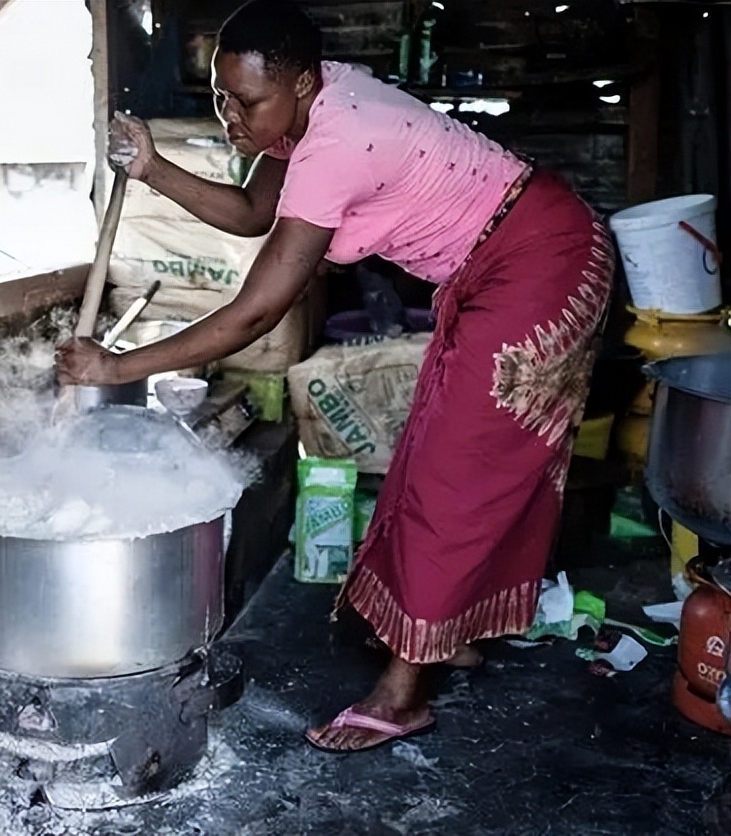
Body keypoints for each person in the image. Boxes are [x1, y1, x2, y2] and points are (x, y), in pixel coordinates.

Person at [56, 0, 613, 753]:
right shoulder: (305, 113)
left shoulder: (336, 142)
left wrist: (117, 365)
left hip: (543, 260)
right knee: (433, 452)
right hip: (496, 264)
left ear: (306, 83)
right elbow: (257, 210)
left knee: (459, 468)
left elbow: (255, 313)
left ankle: (404, 693)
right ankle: (443, 633)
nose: (232, 118)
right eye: (222, 97)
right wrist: (153, 168)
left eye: (247, 101)